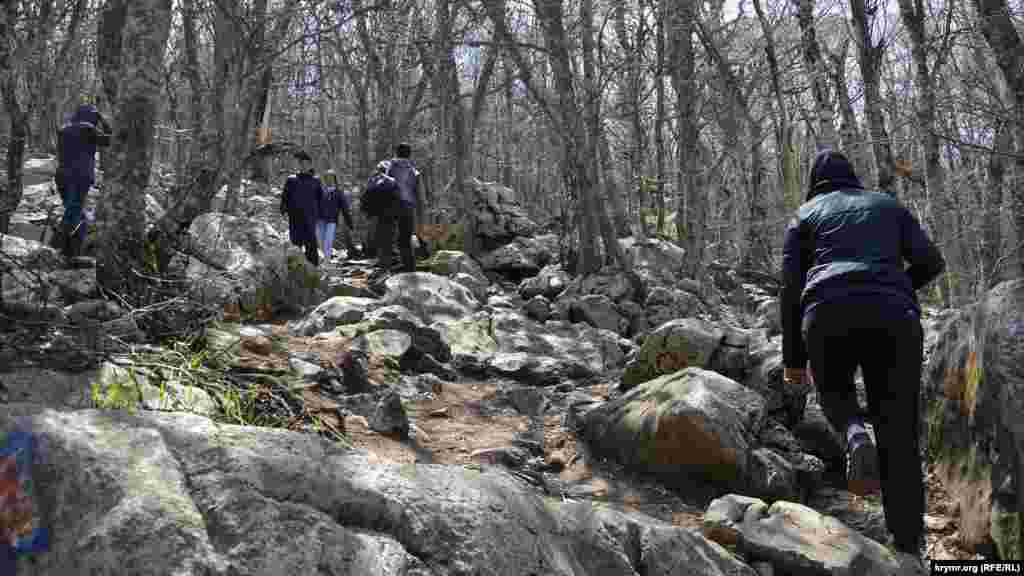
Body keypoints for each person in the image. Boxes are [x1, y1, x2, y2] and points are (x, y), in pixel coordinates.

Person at [781, 149, 945, 563]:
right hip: (894, 317)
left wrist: (795, 362)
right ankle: (908, 548)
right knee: (899, 433)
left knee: (834, 391)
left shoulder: (805, 216)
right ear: (853, 177)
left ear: (814, 182)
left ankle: (853, 430)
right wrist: (899, 287)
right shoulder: (889, 206)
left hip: (827, 310)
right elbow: (932, 261)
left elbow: (789, 293)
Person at [55, 100, 111, 260]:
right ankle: (60, 249)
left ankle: (71, 252)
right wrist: (103, 120)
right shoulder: (88, 130)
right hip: (80, 177)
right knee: (73, 214)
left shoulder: (64, 129)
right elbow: (110, 139)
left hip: (62, 177)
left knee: (75, 213)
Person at [377, 143, 423, 273]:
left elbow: (383, 185)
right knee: (405, 240)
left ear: (396, 153)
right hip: (408, 207)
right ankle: (410, 270)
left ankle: (384, 270)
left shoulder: (390, 166)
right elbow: (419, 194)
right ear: (410, 155)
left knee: (386, 239)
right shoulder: (414, 171)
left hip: (390, 207)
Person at [280, 151, 322, 266]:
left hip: (310, 218)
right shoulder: (291, 179)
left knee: (311, 245)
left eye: (306, 164)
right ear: (298, 165)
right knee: (295, 245)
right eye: (301, 164)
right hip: (295, 218)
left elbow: (320, 199)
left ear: (310, 165)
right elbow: (285, 197)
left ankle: (314, 271)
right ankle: (294, 270)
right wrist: (283, 209)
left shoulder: (316, 180)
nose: (304, 166)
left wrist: (322, 216)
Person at [316, 170, 357, 262]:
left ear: (335, 180)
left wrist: (349, 223)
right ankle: (324, 261)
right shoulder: (320, 191)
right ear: (325, 180)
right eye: (327, 178)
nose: (329, 181)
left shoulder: (338, 193)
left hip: (331, 220)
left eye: (331, 178)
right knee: (321, 242)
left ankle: (327, 261)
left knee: (328, 241)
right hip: (320, 220)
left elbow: (344, 209)